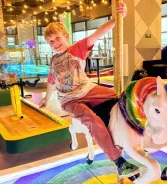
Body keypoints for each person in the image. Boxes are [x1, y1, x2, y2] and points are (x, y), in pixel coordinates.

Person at [39, 3, 141, 178]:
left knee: (121, 97)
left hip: (88, 90)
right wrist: (46, 99)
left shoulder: (76, 49)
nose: (55, 43)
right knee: (91, 120)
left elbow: (98, 33)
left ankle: (132, 130)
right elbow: (51, 82)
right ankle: (119, 161)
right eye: (51, 41)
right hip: (69, 100)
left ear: (66, 36)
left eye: (57, 38)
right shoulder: (53, 61)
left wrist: (117, 18)